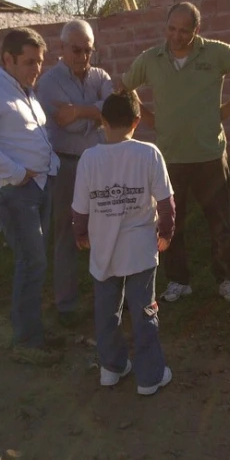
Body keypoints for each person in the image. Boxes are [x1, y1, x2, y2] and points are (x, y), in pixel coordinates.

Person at [121, 2, 230, 304]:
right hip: (170, 158)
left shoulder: (214, 53)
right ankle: (178, 281)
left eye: (184, 30)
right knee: (171, 224)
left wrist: (228, 108)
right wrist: (148, 119)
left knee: (220, 223)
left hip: (209, 155)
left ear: (196, 30)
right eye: (171, 28)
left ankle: (227, 280)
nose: (176, 36)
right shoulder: (151, 59)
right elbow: (123, 87)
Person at [0, 28, 62, 366]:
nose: (37, 68)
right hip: (13, 191)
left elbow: (33, 137)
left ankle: (32, 330)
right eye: (29, 61)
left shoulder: (27, 92)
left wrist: (50, 166)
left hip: (39, 188)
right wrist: (19, 173)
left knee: (35, 262)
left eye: (40, 62)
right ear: (8, 59)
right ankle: (26, 340)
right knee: (31, 261)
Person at [71, 90, 176, 396]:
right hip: (141, 250)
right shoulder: (149, 153)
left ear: (102, 121)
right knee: (145, 312)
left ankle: (111, 368)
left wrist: (81, 234)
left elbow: (79, 208)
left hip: (104, 252)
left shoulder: (89, 159)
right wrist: (166, 233)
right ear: (137, 121)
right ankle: (150, 377)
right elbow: (167, 202)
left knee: (106, 312)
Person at [36, 19, 113, 326]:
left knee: (106, 228)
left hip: (98, 161)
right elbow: (67, 123)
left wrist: (80, 111)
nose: (83, 55)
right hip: (66, 164)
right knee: (67, 233)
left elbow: (113, 108)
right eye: (77, 49)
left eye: (88, 49)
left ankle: (108, 297)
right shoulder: (49, 82)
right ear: (62, 48)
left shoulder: (100, 75)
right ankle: (66, 305)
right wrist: (95, 115)